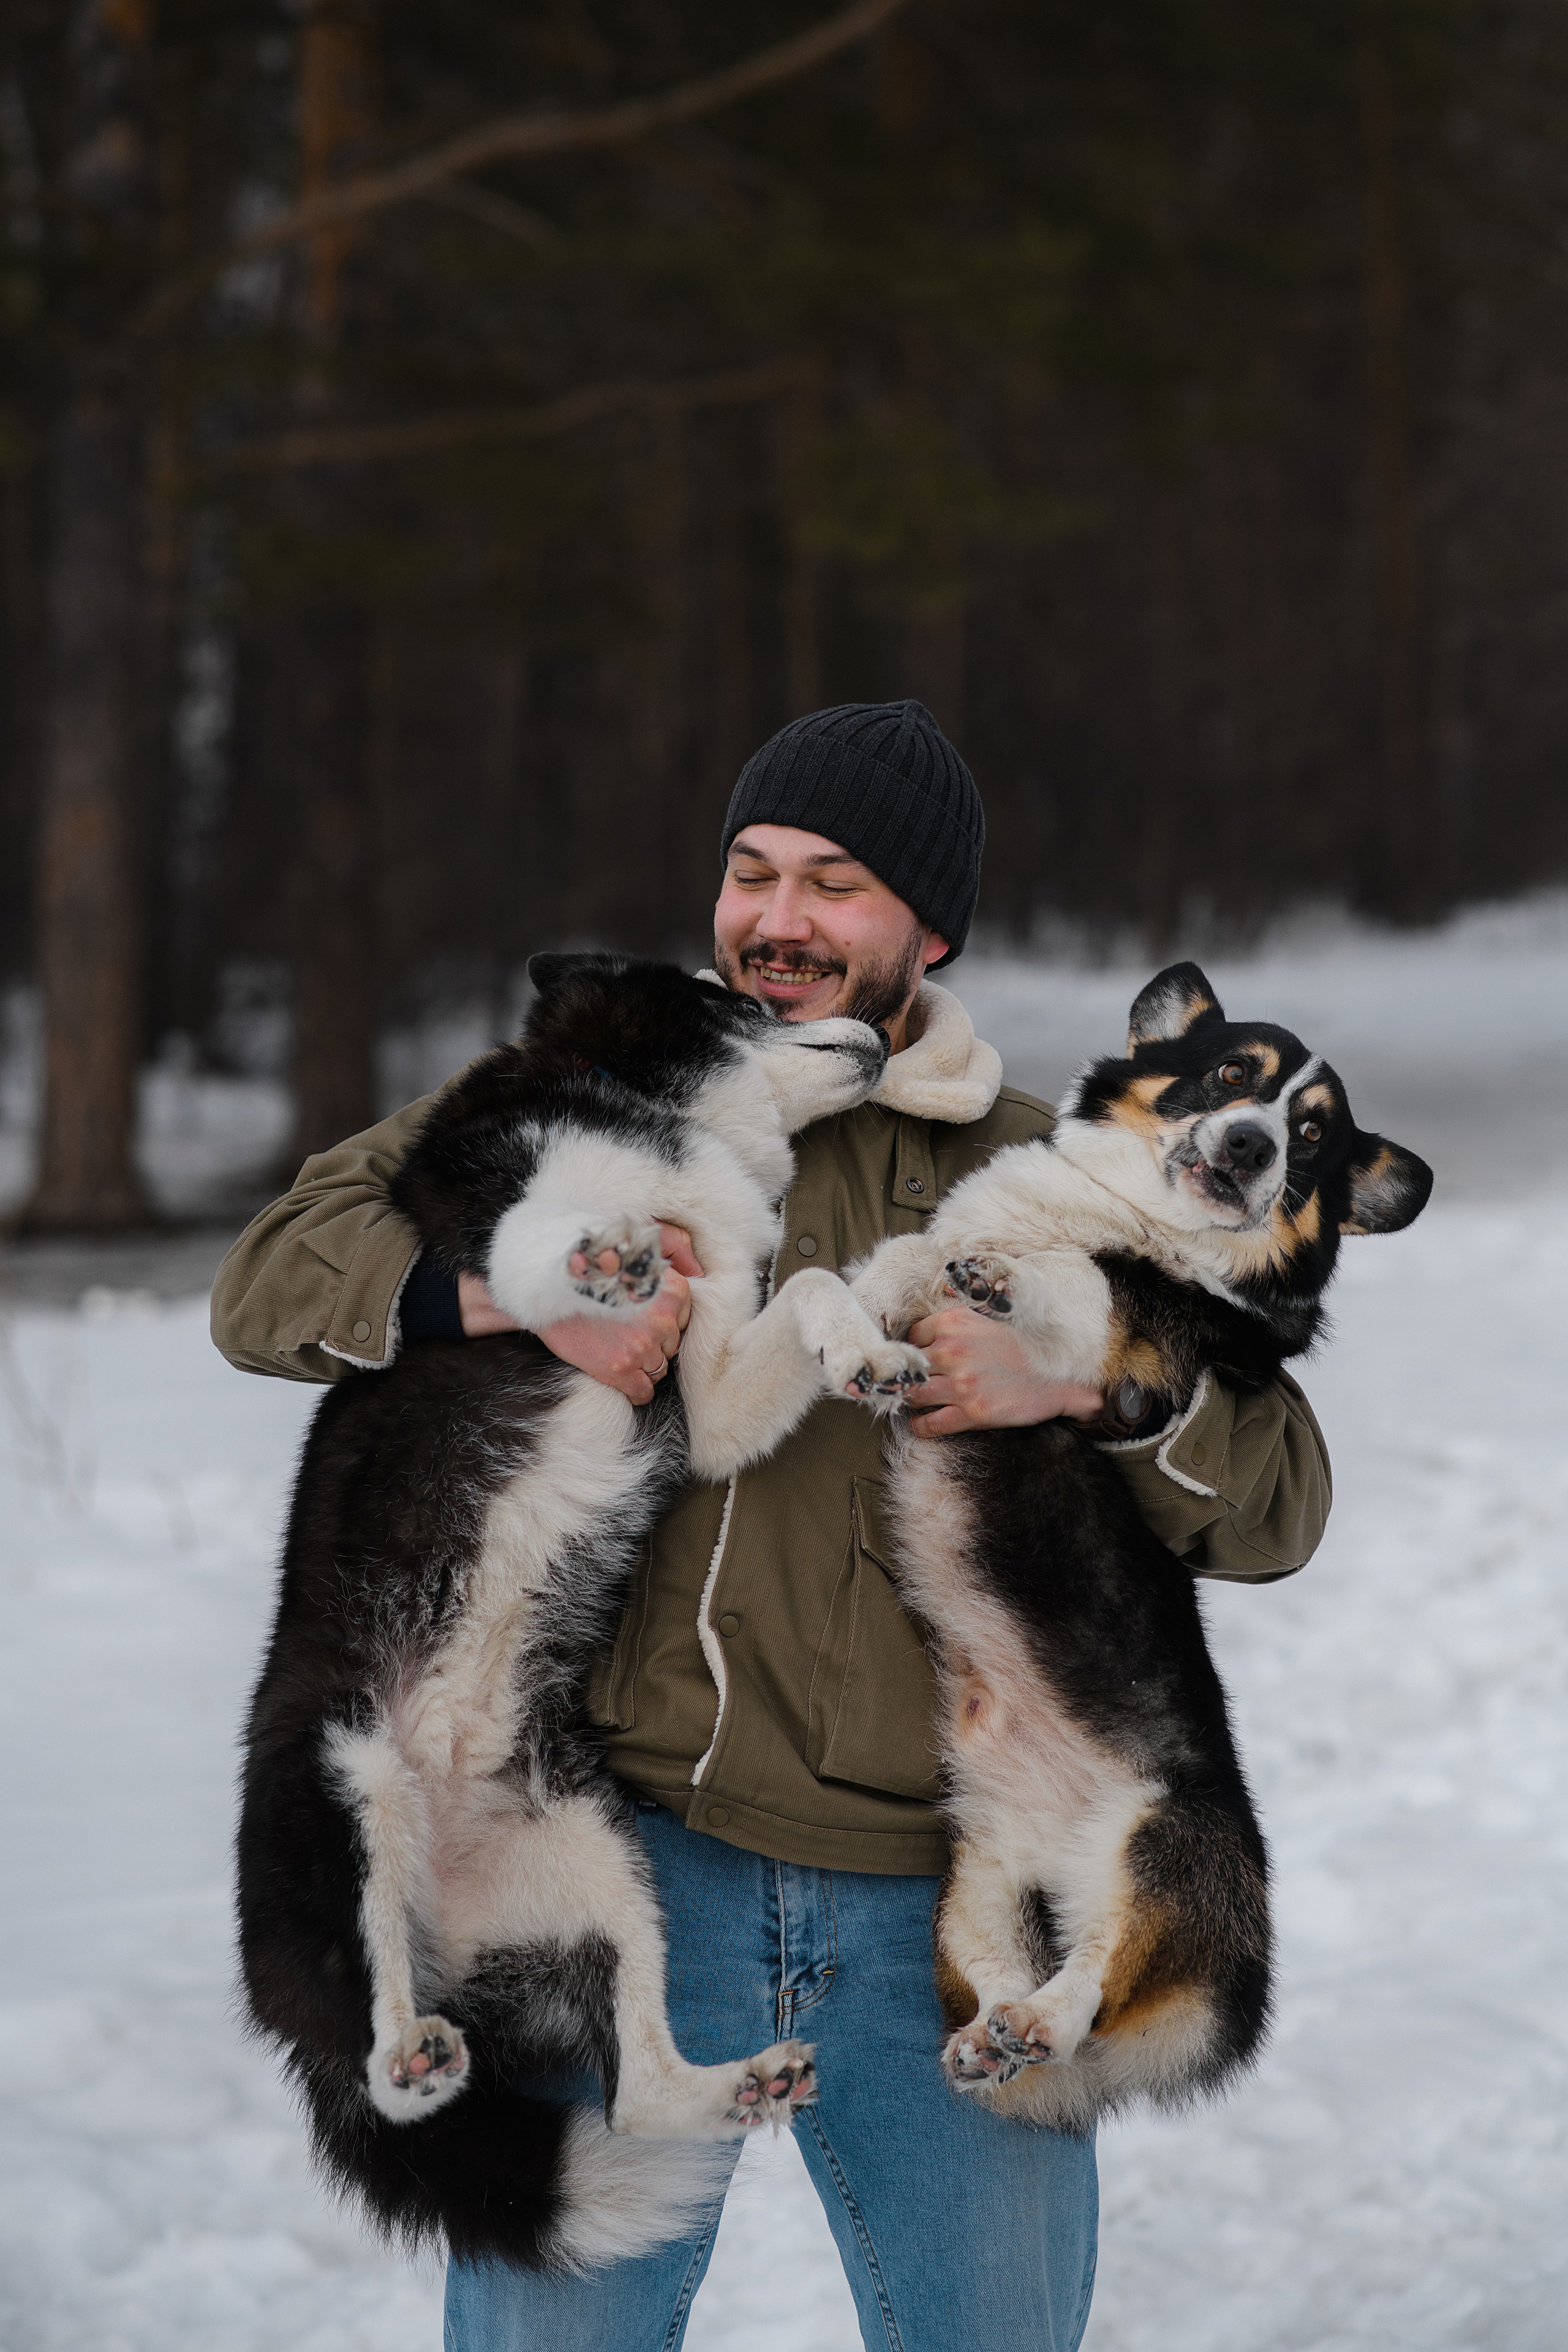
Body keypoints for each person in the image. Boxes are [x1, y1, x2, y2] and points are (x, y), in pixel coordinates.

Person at [212, 700, 1330, 2351]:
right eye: (753, 873)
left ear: (928, 930)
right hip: (633, 1863)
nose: (778, 921)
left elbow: (1281, 1496)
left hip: (936, 1911)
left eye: (836, 886)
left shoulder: (1051, 1174)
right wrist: (505, 1307)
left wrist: (1087, 1390)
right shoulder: (616, 1077)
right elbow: (271, 1280)